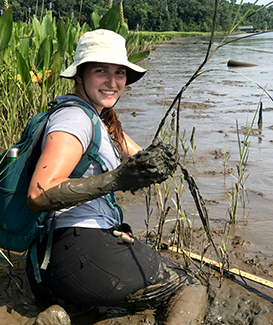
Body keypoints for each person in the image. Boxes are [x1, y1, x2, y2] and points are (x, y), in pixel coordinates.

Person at [26, 29, 192, 312]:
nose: (112, 82)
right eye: (101, 71)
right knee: (190, 287)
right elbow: (38, 193)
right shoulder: (74, 119)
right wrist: (115, 180)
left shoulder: (100, 119)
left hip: (49, 264)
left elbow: (138, 156)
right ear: (79, 75)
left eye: (119, 73)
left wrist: (162, 160)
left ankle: (59, 314)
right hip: (77, 253)